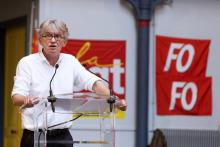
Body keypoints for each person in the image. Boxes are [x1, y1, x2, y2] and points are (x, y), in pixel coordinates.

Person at [11, 19, 127, 147]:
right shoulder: (27, 63)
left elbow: (92, 82)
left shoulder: (70, 61)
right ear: (40, 40)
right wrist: (26, 100)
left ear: (65, 41)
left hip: (63, 137)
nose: (53, 40)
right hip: (36, 136)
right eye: (48, 35)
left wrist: (113, 99)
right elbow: (16, 97)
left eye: (58, 36)